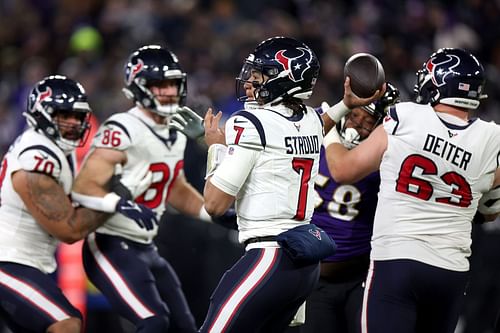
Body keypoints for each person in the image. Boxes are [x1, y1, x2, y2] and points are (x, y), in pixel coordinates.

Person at [323, 48, 500, 333]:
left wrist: (328, 129)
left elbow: (344, 170)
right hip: (451, 269)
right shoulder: (493, 138)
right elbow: (490, 210)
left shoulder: (405, 116)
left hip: (397, 261)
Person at [71, 45, 210, 333]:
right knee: (154, 322)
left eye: (173, 84)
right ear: (139, 87)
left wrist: (215, 213)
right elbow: (83, 187)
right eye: (160, 85)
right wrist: (123, 203)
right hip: (110, 244)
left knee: (184, 326)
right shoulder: (122, 128)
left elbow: (175, 187)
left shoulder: (174, 129)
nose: (169, 92)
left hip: (146, 245)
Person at [200, 36, 327, 333]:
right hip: (304, 264)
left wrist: (216, 148)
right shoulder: (311, 120)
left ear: (285, 79)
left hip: (269, 257)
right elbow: (321, 121)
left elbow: (214, 204)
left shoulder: (250, 122)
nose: (248, 83)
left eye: (259, 76)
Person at [0, 75, 111, 333]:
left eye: (77, 115)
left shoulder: (54, 150)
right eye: (64, 115)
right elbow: (69, 229)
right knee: (65, 322)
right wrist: (112, 201)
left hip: (26, 263)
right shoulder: (36, 156)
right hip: (8, 262)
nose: (73, 123)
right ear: (41, 115)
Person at [301, 83, 400, 333]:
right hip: (313, 277)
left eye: (369, 121)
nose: (358, 124)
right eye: (355, 115)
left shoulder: (388, 155)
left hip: (360, 276)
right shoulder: (312, 132)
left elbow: (343, 169)